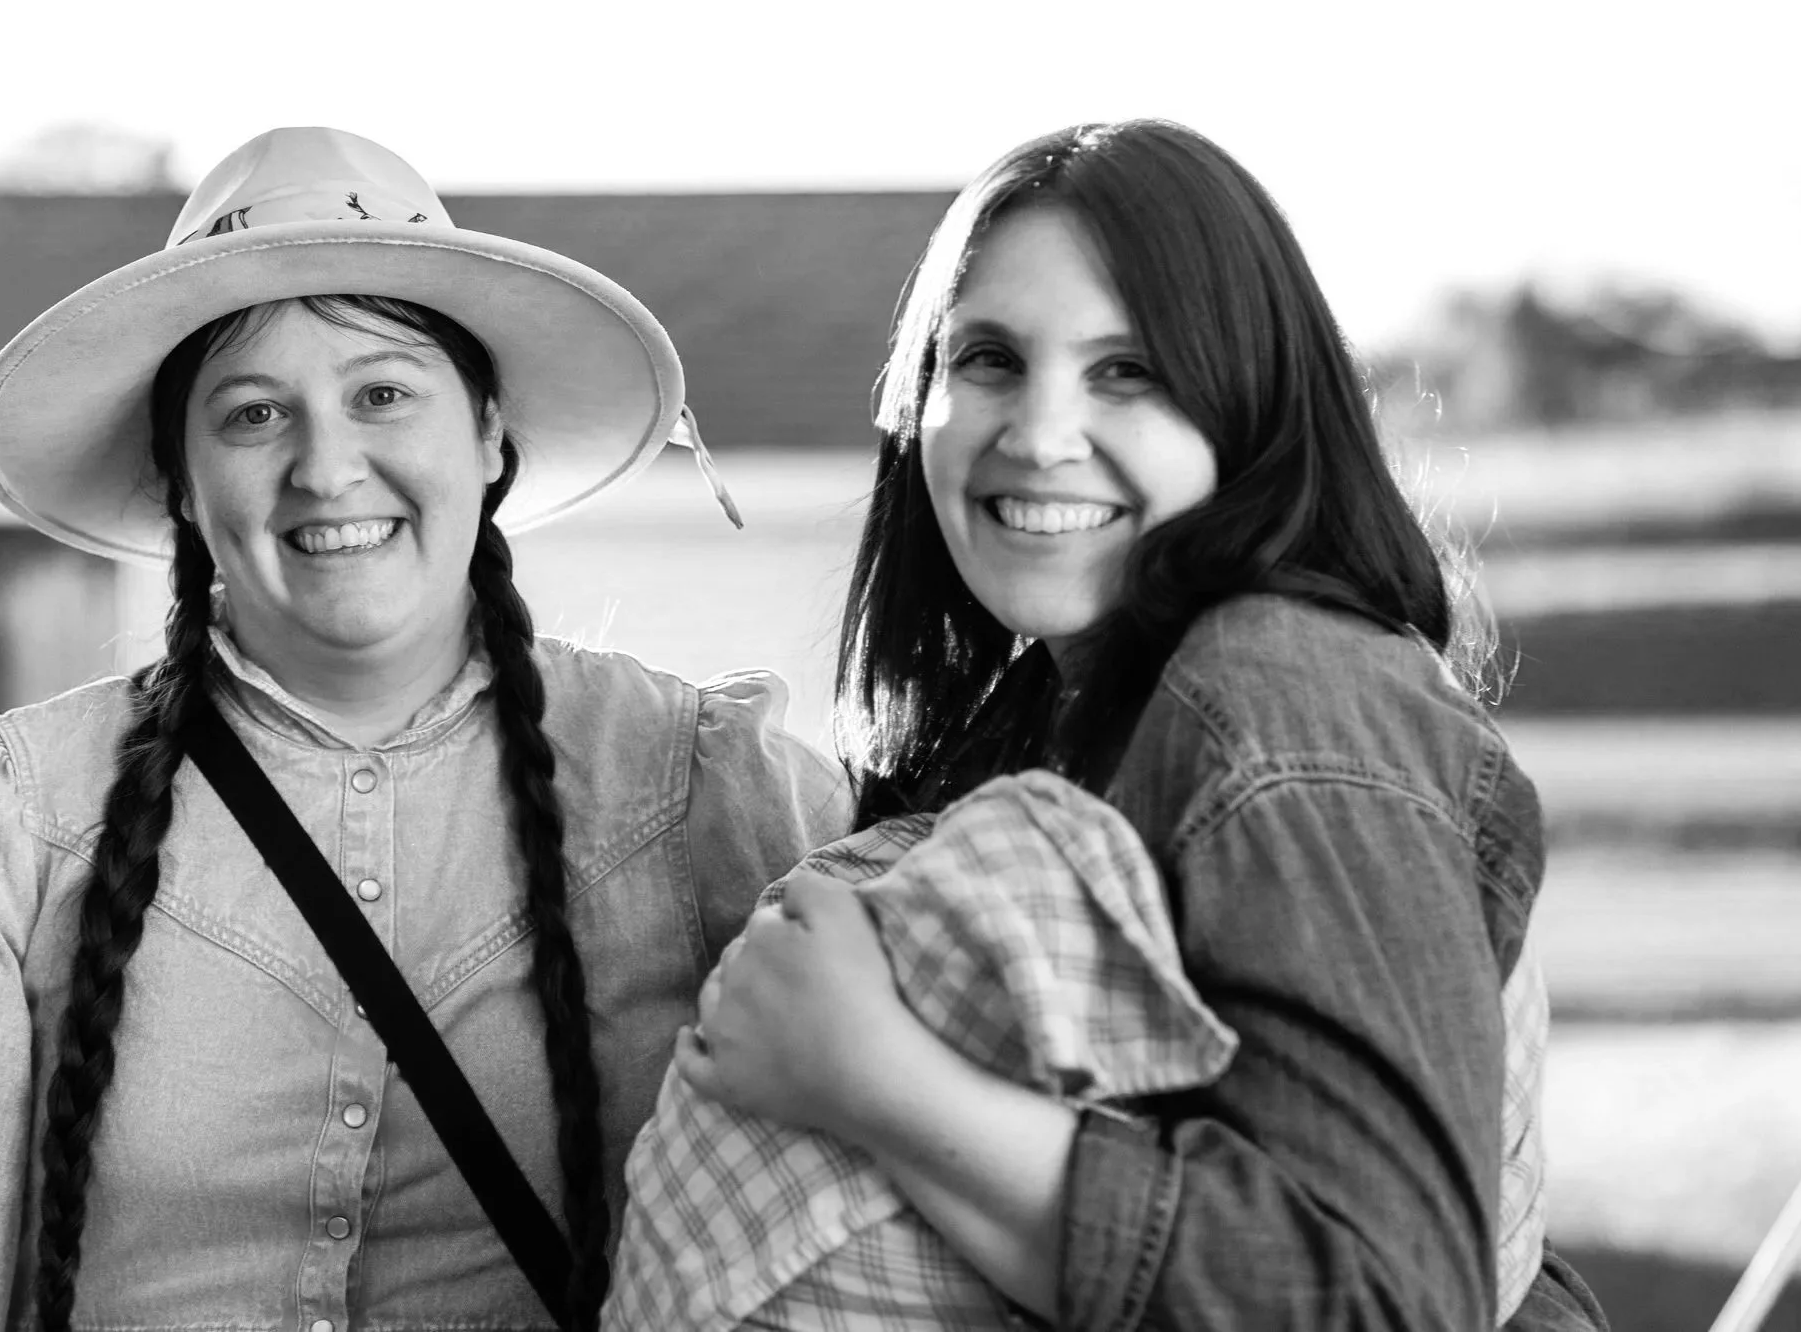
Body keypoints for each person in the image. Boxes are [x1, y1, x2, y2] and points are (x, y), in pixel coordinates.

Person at [0, 127, 852, 1332]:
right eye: (252, 415)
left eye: (383, 394)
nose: (325, 466)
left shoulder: (713, 795)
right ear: (181, 482)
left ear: (490, 434)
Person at [648, 121, 1608, 1329]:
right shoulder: (1040, 716)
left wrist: (873, 1077)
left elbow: (1384, 1299)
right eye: (989, 360)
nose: (1040, 435)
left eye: (1128, 372)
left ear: (1249, 409)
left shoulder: (1286, 691)